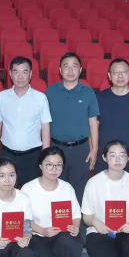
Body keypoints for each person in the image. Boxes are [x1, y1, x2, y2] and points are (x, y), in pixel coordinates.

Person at [21, 147, 83, 257]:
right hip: (37, 235)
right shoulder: (28, 188)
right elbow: (23, 220)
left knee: (71, 241)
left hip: (61, 234)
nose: (54, 169)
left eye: (58, 165)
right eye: (49, 164)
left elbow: (76, 214)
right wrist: (42, 230)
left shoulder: (67, 188)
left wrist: (75, 226)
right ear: (40, 166)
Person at [44, 53, 99, 201]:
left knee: (79, 191)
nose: (70, 70)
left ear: (80, 70)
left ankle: (77, 217)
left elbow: (93, 124)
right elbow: (44, 123)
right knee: (55, 189)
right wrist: (46, 150)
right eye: (66, 66)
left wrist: (94, 150)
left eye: (74, 66)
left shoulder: (88, 92)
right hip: (56, 148)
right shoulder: (50, 91)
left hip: (81, 150)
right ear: (60, 70)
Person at [0, 56, 52, 187]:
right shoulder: (2, 97)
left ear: (30, 74)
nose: (20, 77)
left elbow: (46, 128)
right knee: (5, 193)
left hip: (32, 157)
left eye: (24, 72)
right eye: (16, 72)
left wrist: (46, 157)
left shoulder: (40, 98)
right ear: (10, 74)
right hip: (7, 155)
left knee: (32, 195)